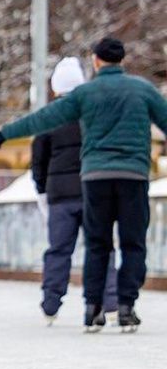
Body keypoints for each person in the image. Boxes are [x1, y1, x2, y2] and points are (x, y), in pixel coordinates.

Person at [0, 37, 167, 332]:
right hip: (132, 176)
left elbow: (44, 119)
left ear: (96, 62)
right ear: (122, 61)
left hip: (95, 177)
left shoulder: (85, 94)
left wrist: (5, 133)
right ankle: (125, 306)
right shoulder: (143, 90)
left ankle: (93, 308)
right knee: (133, 243)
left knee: (98, 244)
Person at [30, 57, 118, 325]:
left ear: (56, 89)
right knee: (101, 247)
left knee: (58, 249)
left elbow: (38, 161)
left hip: (59, 197)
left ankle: (51, 304)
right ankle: (110, 301)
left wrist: (43, 189)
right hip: (92, 192)